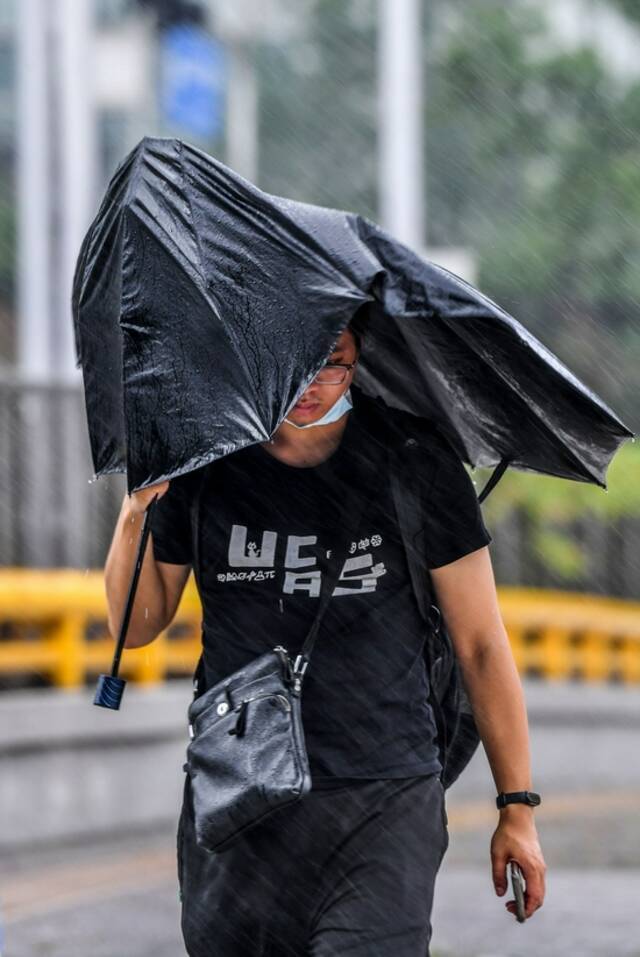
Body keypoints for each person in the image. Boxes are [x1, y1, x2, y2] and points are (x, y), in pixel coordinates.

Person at [104, 321, 546, 956]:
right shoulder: (203, 463)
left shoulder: (414, 460)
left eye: (332, 364)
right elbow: (135, 627)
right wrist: (135, 509)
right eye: (293, 363)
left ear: (359, 359)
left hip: (383, 793)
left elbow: (480, 643)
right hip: (242, 794)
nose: (312, 385)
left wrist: (518, 807)